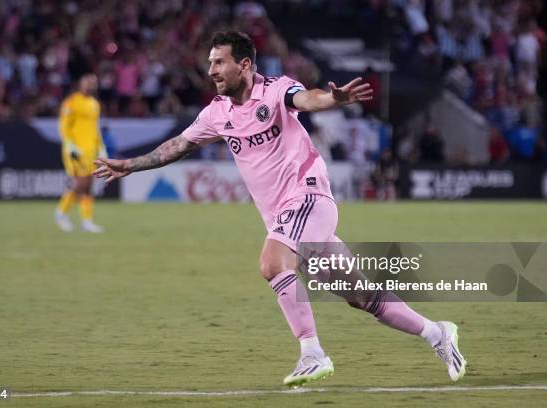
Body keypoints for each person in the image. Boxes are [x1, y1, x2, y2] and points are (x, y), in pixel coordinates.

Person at [93, 32, 466, 387]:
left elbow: (307, 100)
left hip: (308, 198)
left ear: (244, 64)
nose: (211, 71)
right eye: (210, 63)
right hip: (290, 220)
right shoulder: (217, 112)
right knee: (363, 297)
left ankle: (312, 353)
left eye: (219, 62)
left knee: (272, 263)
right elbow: (178, 145)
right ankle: (438, 333)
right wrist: (132, 164)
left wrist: (333, 100)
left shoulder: (274, 90)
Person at [55, 73, 106, 233]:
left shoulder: (94, 104)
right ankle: (61, 213)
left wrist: (101, 148)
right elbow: (63, 126)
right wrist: (70, 145)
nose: (90, 85)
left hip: (90, 150)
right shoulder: (71, 102)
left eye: (93, 83)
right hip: (75, 150)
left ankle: (87, 220)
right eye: (88, 82)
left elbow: (95, 129)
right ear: (81, 84)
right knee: (81, 182)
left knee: (89, 186)